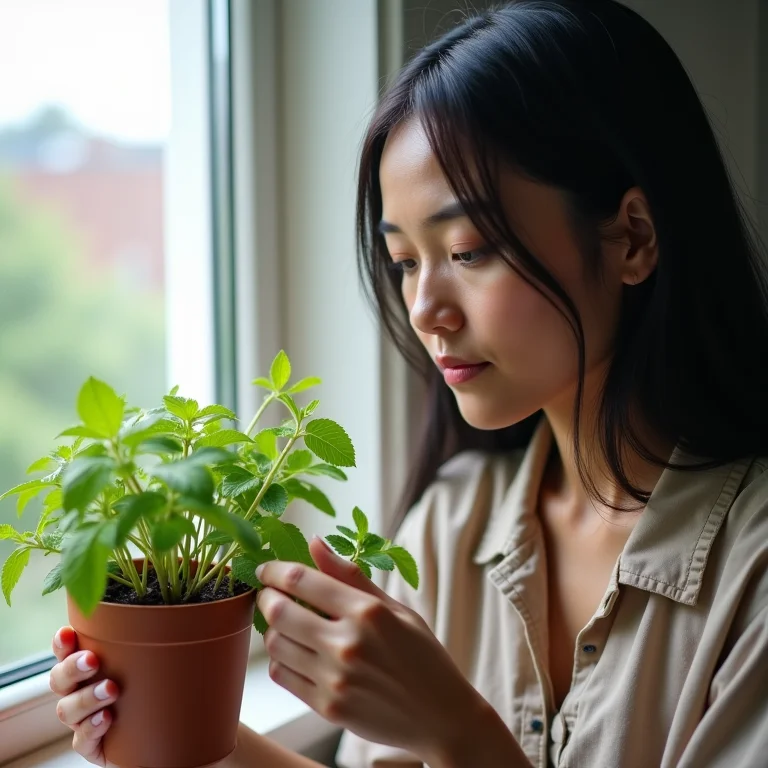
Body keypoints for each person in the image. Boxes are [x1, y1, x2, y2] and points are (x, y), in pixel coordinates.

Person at [47, 0, 768, 766]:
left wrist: (456, 733)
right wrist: (167, 725)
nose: (425, 310)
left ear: (632, 237)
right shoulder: (452, 522)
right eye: (404, 262)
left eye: (468, 250)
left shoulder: (750, 568)